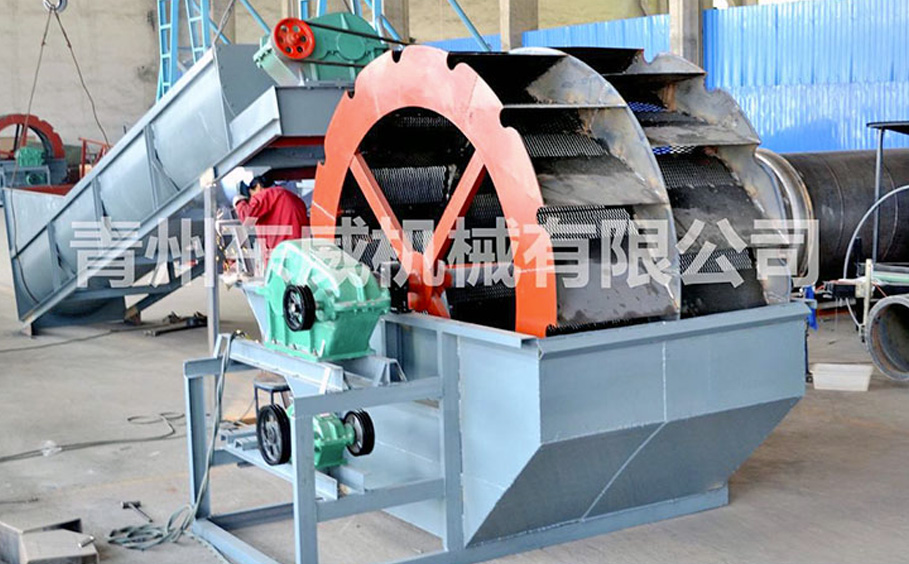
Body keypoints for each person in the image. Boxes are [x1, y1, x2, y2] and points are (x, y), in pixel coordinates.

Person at [232, 175, 310, 264]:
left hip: (281, 259)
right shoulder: (294, 198)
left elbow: (247, 217)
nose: (251, 201)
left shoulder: (266, 194)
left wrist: (239, 201)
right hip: (300, 257)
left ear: (258, 186)